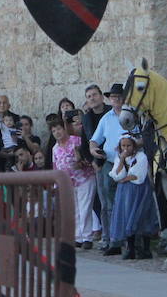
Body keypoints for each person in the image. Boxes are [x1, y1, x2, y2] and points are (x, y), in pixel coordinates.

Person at [88, 83, 128, 255]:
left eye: (118, 97)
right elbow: (94, 140)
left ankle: (128, 237)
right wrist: (93, 150)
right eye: (113, 97)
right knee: (108, 203)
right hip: (110, 162)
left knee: (126, 201)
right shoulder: (106, 117)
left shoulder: (130, 115)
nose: (115, 100)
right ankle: (112, 239)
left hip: (128, 163)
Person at [50, 114, 99, 248]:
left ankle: (87, 237)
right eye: (54, 131)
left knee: (85, 208)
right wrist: (56, 184)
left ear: (65, 128)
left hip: (84, 178)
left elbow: (86, 157)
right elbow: (55, 166)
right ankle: (77, 236)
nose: (57, 133)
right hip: (68, 183)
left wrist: (81, 162)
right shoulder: (55, 148)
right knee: (74, 209)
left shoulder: (76, 140)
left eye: (59, 129)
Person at [108, 132, 157, 260]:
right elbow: (116, 175)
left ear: (133, 146)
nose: (126, 148)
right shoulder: (119, 158)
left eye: (128, 145)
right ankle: (131, 248)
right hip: (125, 193)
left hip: (139, 191)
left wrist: (124, 179)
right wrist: (122, 161)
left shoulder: (141, 157)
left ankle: (146, 249)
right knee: (126, 216)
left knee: (141, 217)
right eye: (123, 146)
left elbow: (137, 175)